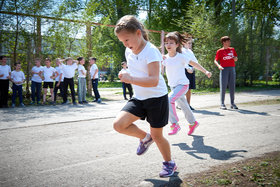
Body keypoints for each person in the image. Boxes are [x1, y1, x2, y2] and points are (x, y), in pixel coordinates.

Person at [113, 15, 176, 178]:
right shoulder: (129, 50)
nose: (126, 45)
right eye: (122, 42)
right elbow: (135, 71)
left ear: (138, 33)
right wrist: (126, 73)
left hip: (156, 98)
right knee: (119, 125)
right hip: (139, 97)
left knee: (158, 135)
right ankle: (145, 138)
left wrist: (131, 79)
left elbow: (153, 80)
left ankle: (170, 164)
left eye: (127, 40)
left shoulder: (151, 51)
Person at [162, 31, 212, 136]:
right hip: (173, 86)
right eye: (166, 43)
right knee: (184, 106)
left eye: (171, 43)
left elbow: (194, 64)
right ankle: (193, 123)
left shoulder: (181, 56)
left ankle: (174, 124)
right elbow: (156, 70)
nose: (168, 45)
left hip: (183, 85)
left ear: (177, 45)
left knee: (169, 99)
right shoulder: (164, 58)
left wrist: (205, 71)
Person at [214, 36, 238, 110]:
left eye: (229, 41)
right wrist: (219, 66)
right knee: (223, 86)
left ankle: (232, 103)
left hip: (232, 69)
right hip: (224, 69)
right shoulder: (220, 51)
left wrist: (235, 58)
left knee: (232, 86)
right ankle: (222, 104)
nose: (229, 42)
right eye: (228, 41)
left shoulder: (232, 49)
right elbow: (215, 60)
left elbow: (236, 59)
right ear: (224, 42)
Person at [182, 36, 197, 110]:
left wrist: (193, 68)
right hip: (184, 70)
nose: (190, 45)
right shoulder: (181, 51)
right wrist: (187, 68)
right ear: (183, 43)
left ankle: (188, 104)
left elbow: (195, 61)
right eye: (189, 43)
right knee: (183, 88)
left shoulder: (190, 51)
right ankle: (181, 104)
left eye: (191, 43)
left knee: (189, 88)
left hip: (191, 69)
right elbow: (182, 61)